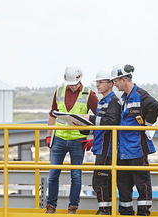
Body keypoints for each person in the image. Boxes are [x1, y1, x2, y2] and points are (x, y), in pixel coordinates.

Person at [45, 65, 98, 214]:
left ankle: (73, 207)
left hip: (78, 140)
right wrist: (49, 135)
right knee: (53, 173)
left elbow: (100, 118)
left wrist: (93, 138)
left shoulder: (89, 94)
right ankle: (51, 206)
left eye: (74, 84)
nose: (72, 87)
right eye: (70, 84)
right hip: (60, 138)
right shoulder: (59, 91)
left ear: (80, 79)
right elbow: (52, 114)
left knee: (76, 175)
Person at [111, 64, 158, 216]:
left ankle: (143, 213)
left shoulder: (139, 95)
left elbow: (155, 106)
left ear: (124, 79)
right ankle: (126, 212)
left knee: (142, 183)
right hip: (123, 150)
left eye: (115, 81)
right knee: (123, 184)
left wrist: (147, 124)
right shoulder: (124, 98)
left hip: (137, 148)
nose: (114, 84)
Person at [79, 68, 121, 215]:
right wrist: (84, 128)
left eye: (101, 82)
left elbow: (111, 122)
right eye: (97, 82)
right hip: (101, 146)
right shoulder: (103, 102)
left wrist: (89, 119)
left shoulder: (113, 101)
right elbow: (100, 124)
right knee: (103, 180)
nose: (98, 85)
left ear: (110, 84)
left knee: (101, 180)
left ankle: (104, 210)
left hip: (107, 148)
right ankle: (106, 208)